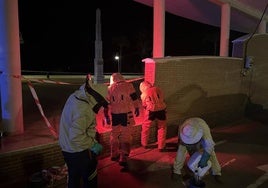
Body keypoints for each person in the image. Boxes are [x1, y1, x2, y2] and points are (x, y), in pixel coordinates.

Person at [59, 74, 110, 188]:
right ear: (96, 98)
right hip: (79, 152)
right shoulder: (84, 109)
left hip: (68, 149)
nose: (101, 107)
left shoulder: (75, 97)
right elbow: (76, 136)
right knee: (90, 178)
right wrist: (93, 145)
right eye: (101, 103)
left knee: (73, 177)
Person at [172, 117, 222, 183]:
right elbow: (181, 149)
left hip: (200, 126)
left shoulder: (204, 130)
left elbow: (209, 146)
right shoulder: (182, 129)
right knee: (181, 151)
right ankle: (176, 171)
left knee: (211, 152)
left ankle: (217, 172)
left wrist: (204, 160)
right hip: (189, 129)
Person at [107, 73, 140, 167]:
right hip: (126, 114)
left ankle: (113, 154)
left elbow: (107, 102)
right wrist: (136, 108)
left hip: (114, 115)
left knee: (114, 133)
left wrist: (107, 115)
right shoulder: (128, 85)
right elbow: (134, 98)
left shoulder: (110, 88)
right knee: (126, 135)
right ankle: (123, 156)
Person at [139, 80, 167, 152]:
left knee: (146, 127)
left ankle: (144, 143)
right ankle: (161, 146)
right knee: (162, 127)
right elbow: (162, 98)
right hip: (161, 110)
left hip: (151, 111)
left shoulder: (144, 94)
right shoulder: (158, 89)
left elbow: (144, 105)